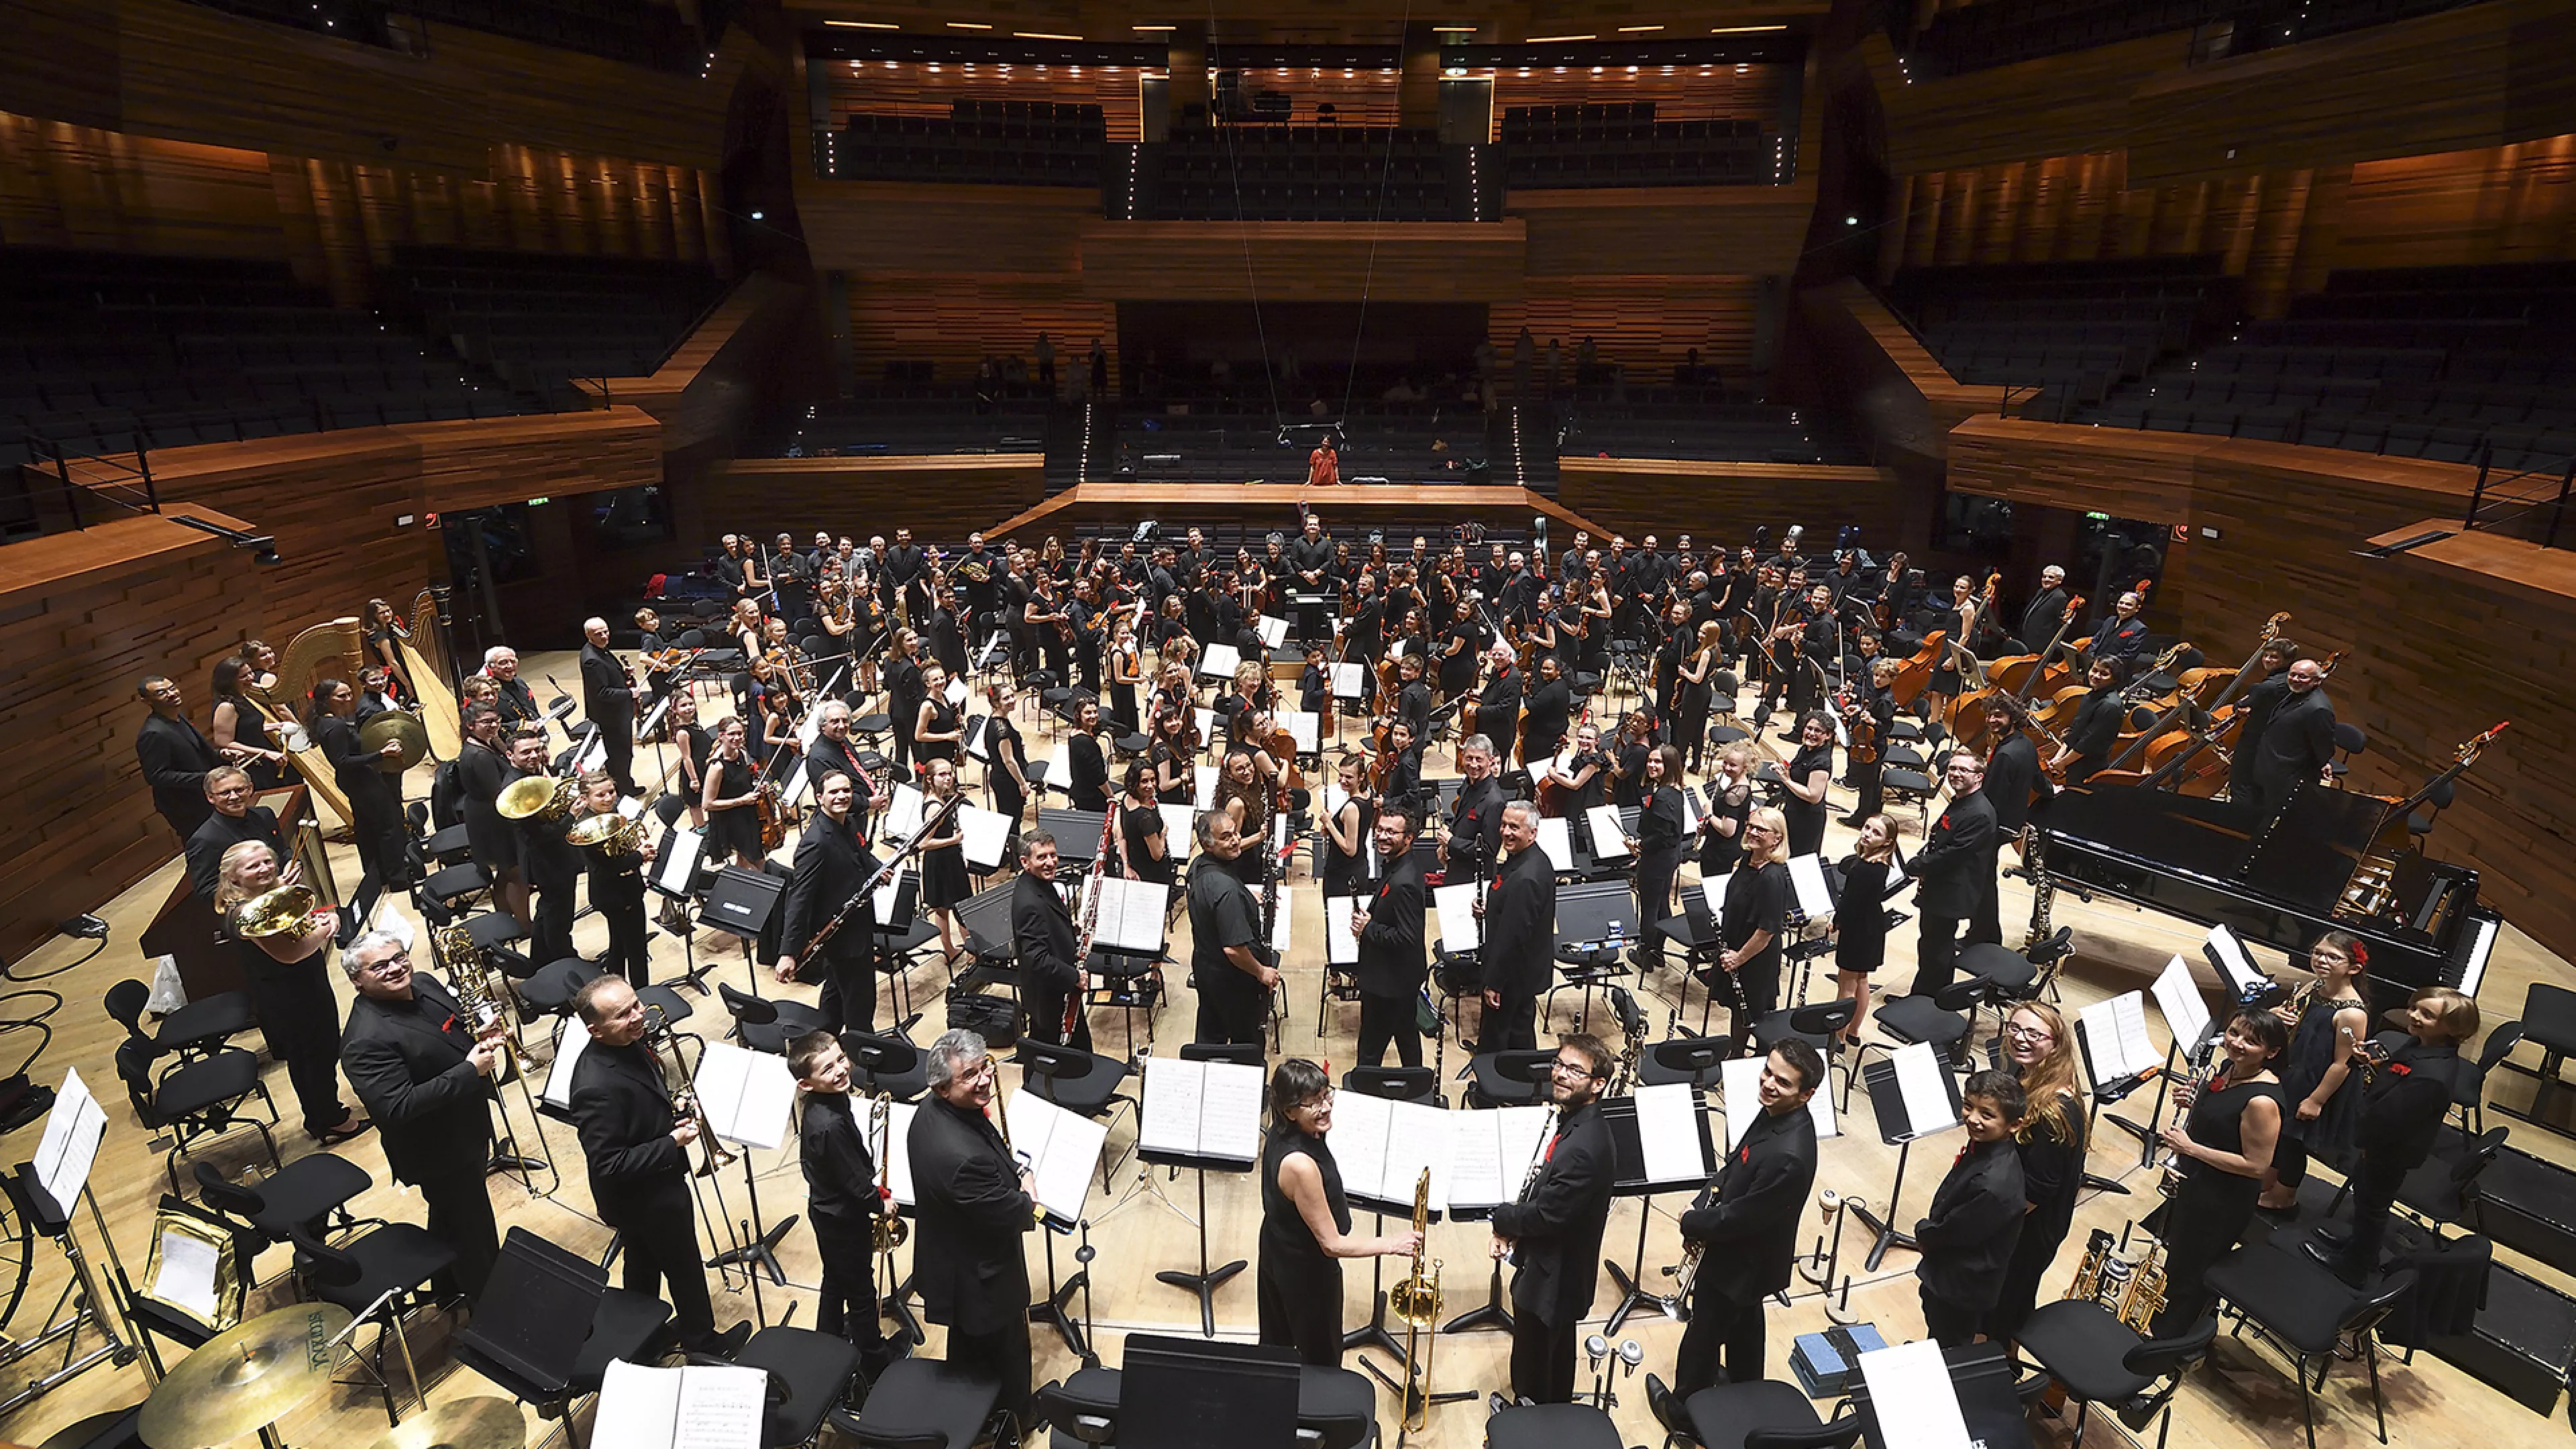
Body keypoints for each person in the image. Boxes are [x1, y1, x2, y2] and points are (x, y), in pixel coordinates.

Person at [566, 975, 736, 1354]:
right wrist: (671, 1142)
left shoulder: (627, 1044)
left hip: (647, 1189)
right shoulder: (596, 1086)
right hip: (644, 1197)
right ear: (595, 1031)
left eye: (636, 1005)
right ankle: (704, 1345)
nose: (638, 1016)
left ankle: (640, 1339)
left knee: (642, 1266)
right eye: (623, 1014)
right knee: (685, 1269)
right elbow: (609, 1162)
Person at [338, 930, 502, 1299]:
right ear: (357, 980)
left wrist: (479, 1036)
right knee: (476, 1238)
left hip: (467, 1127)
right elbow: (397, 1107)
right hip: (438, 1153)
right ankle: (492, 1316)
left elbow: (450, 1029)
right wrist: (468, 1070)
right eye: (379, 966)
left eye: (399, 958)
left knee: (451, 1219)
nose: (396, 969)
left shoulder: (425, 984)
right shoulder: (365, 1040)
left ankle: (447, 1289)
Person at [1671, 1038, 1823, 1398]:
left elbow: (1740, 1219)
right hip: (1748, 1259)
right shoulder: (1776, 1113)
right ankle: (1747, 1393)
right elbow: (1735, 1163)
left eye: (1783, 1082)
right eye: (1768, 1072)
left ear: (1806, 1094)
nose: (1769, 1083)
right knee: (1745, 1330)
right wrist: (1701, 1205)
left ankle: (1684, 1408)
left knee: (1704, 1335)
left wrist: (1692, 1223)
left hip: (1741, 1264)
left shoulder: (1790, 1155)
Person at [2307, 987, 2478, 1289]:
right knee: (2365, 1200)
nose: (2413, 1015)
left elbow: (2390, 1119)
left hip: (2387, 1150)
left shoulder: (2432, 1074)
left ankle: (2355, 1267)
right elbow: (2395, 1075)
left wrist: (2363, 1143)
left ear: (2453, 1028)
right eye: (2414, 1007)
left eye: (2427, 1014)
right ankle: (2358, 1247)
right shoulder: (2422, 1046)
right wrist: (2374, 1064)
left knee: (2372, 1207)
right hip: (2382, 1145)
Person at [909, 1029, 1037, 1429]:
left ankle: (970, 1417)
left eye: (985, 1067)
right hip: (981, 1276)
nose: (984, 1079)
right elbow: (1015, 1213)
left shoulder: (929, 1112)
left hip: (952, 1259)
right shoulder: (961, 1159)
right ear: (943, 1087)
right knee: (1008, 1350)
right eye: (970, 1075)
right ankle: (1017, 1420)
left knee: (969, 1348)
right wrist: (1027, 1192)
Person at [1258, 1059, 1421, 1366]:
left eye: (1326, 1095)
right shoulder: (1300, 1165)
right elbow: (1332, 1244)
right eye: (1313, 1103)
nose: (1326, 1107)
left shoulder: (1282, 1132)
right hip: (1305, 1270)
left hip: (1278, 1249)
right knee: (1320, 1353)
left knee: (1278, 1344)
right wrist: (1391, 1244)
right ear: (1290, 1111)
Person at [1490, 1034, 1617, 1404]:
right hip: (1556, 1269)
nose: (1560, 1074)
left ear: (1598, 1084)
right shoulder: (1577, 1122)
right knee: (1554, 1357)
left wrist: (1502, 1220)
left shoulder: (1583, 1147)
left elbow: (1547, 1214)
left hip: (1553, 1278)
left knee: (1535, 1367)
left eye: (1575, 1070)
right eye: (1559, 1064)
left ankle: (1530, 1423)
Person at [214, 841, 367, 1144]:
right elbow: (290, 953)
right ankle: (327, 1121)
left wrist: (317, 921)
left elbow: (294, 929)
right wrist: (327, 929)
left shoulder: (261, 897)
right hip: (290, 996)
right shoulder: (245, 913)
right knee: (313, 1056)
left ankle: (325, 1112)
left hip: (303, 986)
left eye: (267, 862)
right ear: (233, 877)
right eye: (253, 866)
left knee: (319, 1052)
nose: (265, 869)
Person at [2150, 1009, 2286, 1337]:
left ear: (2272, 1053)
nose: (2237, 1043)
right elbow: (2222, 1117)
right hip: (2200, 1182)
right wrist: (2195, 1099)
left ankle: (2175, 1340)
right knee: (2181, 1257)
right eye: (2234, 1033)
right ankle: (2164, 1321)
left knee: (2196, 1267)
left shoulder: (2262, 1102)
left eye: (2251, 1042)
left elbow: (2257, 1166)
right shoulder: (2230, 1069)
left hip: (2222, 1199)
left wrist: (2190, 1149)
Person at [788, 1032, 891, 1368]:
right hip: (843, 1218)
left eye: (840, 1059)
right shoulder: (828, 1125)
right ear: (805, 1084)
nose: (841, 1070)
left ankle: (827, 1342)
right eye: (827, 1069)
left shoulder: (827, 1102)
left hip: (828, 1212)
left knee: (835, 1279)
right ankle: (874, 1361)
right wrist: (881, 1203)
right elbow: (856, 1187)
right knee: (861, 1293)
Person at [1988, 1002, 2087, 1347]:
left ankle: (2000, 1373)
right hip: (2021, 1221)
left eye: (2034, 1034)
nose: (2020, 1039)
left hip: (2028, 1230)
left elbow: (2038, 1188)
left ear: (2055, 1044)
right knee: (2008, 1304)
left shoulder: (2053, 1109)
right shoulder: (2030, 1077)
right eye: (2015, 1028)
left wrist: (1986, 1226)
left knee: (2003, 1307)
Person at [2259, 932, 2373, 1210]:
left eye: (2333, 957)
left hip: (2318, 1082)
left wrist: (2316, 1100)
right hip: (2296, 1070)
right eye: (2318, 952)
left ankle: (2284, 1196)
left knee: (2293, 1141)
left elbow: (2342, 1063)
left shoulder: (2352, 1013)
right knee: (2279, 1132)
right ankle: (2269, 1180)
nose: (2321, 960)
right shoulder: (2312, 987)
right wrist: (2277, 1015)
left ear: (2354, 968)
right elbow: (2292, 1024)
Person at [1915, 1069, 2027, 1348]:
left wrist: (1924, 1232)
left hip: (1961, 1285)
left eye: (1987, 1115)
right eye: (1968, 1106)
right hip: (1954, 1273)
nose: (1972, 1119)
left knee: (1949, 1345)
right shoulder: (1986, 1147)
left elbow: (1956, 1232)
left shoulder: (1993, 1184)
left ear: (2014, 1125)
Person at [1903, 749, 1995, 1001]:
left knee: (1937, 949)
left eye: (1963, 770)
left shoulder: (1978, 813)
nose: (1955, 774)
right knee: (1932, 945)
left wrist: (1918, 865)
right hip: (1941, 886)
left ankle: (1927, 1001)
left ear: (1979, 777)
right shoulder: (1962, 802)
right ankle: (1927, 995)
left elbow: (1953, 855)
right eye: (1952, 768)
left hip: (1951, 893)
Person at [310, 676, 413, 890]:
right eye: (341, 695)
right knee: (388, 826)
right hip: (360, 780)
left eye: (349, 693)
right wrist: (381, 754)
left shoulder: (326, 721)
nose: (348, 698)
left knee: (367, 827)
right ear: (327, 699)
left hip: (355, 779)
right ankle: (397, 879)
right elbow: (343, 761)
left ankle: (377, 875)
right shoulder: (335, 725)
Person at [1187, 810, 1277, 1046]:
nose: (1236, 840)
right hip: (1232, 981)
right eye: (1226, 837)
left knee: (1210, 1035)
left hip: (1205, 967)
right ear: (1208, 844)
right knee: (1246, 1043)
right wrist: (1261, 972)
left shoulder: (1199, 866)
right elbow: (1234, 950)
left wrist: (1245, 895)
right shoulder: (1226, 891)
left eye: (1236, 832)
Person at [1351, 808, 1426, 1068]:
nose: (1383, 836)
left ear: (1409, 838)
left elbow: (1407, 937)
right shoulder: (1398, 866)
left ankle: (1365, 1093)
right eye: (1380, 830)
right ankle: (1417, 1084)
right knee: (1406, 1037)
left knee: (1371, 1051)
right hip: (1396, 979)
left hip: (1390, 983)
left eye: (1391, 832)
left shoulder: (1404, 882)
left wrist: (1368, 928)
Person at [1481, 802, 1557, 1054]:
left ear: (1532, 833)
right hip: (1523, 973)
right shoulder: (1525, 859)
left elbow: (1513, 936)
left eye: (1515, 827)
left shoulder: (1527, 876)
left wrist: (1495, 983)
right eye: (1503, 825)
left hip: (1513, 977)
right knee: (1519, 1034)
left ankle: (1494, 1090)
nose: (1505, 832)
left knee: (1501, 1039)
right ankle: (1523, 1083)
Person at [1715, 808, 1790, 1052]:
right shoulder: (1748, 861)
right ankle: (1735, 1054)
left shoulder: (1772, 877)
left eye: (1761, 829)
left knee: (1750, 1015)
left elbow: (1766, 930)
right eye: (1751, 826)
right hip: (1737, 947)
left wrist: (1738, 958)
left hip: (1755, 958)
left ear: (1777, 838)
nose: (1752, 832)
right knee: (1738, 1012)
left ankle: (1742, 1061)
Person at [573, 770, 655, 984]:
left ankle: (615, 985)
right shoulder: (587, 828)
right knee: (637, 950)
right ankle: (640, 995)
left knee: (619, 944)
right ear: (585, 799)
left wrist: (638, 847)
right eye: (600, 795)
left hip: (623, 889)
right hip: (616, 895)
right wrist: (639, 856)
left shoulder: (611, 813)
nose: (609, 798)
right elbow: (606, 867)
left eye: (611, 792)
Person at [504, 727, 578, 964]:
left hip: (548, 858)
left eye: (537, 750)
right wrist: (571, 816)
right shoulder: (517, 789)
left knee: (548, 911)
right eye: (526, 752)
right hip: (547, 861)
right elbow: (539, 835)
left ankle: (542, 959)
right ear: (510, 756)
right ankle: (563, 958)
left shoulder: (529, 775)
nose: (534, 756)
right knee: (559, 914)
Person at [1013, 830, 1089, 1051]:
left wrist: (1068, 926)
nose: (1050, 862)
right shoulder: (1029, 903)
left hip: (1056, 989)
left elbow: (1046, 925)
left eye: (1053, 855)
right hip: (1049, 997)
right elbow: (1036, 959)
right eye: (1042, 857)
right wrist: (1074, 976)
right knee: (1056, 1056)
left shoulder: (1037, 884)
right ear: (1025, 862)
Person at [453, 704, 526, 925]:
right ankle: (524, 925)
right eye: (486, 723)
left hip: (485, 815)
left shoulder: (484, 744)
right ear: (470, 725)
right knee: (515, 874)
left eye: (496, 720)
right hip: (493, 821)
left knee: (505, 874)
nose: (493, 725)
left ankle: (505, 920)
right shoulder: (479, 756)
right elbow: (499, 792)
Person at [1829, 815, 1898, 1047]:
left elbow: (1850, 902)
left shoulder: (1864, 869)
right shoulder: (1882, 866)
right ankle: (1854, 1031)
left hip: (1857, 930)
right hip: (1873, 927)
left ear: (1887, 842)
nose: (1867, 833)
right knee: (1862, 980)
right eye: (1867, 828)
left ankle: (1838, 1036)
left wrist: (1836, 921)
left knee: (1846, 985)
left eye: (1877, 833)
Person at [2240, 655, 2336, 820]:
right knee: (2256, 816)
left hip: (2286, 777)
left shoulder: (2319, 709)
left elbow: (2324, 747)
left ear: (2317, 681)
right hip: (2268, 767)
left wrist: (2322, 764)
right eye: (2293, 674)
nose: (2295, 679)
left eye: (2303, 677)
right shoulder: (2294, 694)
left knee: (2275, 821)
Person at [186, 765, 288, 900]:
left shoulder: (265, 814)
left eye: (239, 790)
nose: (234, 797)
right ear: (210, 798)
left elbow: (282, 849)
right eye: (225, 793)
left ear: (250, 789)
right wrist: (267, 889)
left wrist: (292, 862)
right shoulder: (204, 839)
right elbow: (206, 890)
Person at [1631, 745, 1688, 971]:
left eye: (1659, 762)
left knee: (1650, 907)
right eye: (1651, 760)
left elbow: (1663, 835)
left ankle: (1645, 955)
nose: (1652, 765)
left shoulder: (1663, 796)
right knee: (1662, 902)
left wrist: (1639, 844)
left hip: (1657, 859)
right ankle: (1657, 953)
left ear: (1670, 766)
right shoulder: (1674, 791)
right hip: (1669, 858)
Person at [579, 616, 637, 796]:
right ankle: (623, 790)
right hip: (611, 716)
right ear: (589, 635)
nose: (605, 636)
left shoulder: (599, 650)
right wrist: (629, 694)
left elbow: (609, 673)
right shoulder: (592, 660)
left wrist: (622, 672)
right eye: (599, 634)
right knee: (620, 754)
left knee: (622, 753)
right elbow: (602, 692)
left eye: (606, 631)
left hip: (617, 713)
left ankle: (624, 784)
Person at [2049, 656, 2128, 787]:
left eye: (2104, 674)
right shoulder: (2091, 695)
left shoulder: (2110, 706)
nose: (2096, 676)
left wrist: (2063, 763)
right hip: (2074, 760)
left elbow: (2088, 743)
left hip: (2089, 767)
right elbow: (2075, 730)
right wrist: (2059, 757)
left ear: (2114, 680)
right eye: (2094, 670)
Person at [700, 716, 765, 871]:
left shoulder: (741, 754)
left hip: (746, 814)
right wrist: (742, 800)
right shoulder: (717, 766)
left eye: (740, 734)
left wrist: (757, 787)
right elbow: (707, 804)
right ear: (721, 736)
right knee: (757, 862)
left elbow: (743, 782)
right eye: (732, 734)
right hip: (729, 819)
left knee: (746, 861)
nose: (737, 738)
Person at [1780, 712, 1835, 858]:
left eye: (1818, 731)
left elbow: (1814, 796)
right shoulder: (1806, 749)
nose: (1811, 733)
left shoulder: (1821, 761)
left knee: (1799, 859)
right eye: (1809, 728)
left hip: (1806, 820)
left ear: (1828, 736)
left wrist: (1787, 781)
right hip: (1793, 811)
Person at [1067, 696, 1110, 812]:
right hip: (1091, 797)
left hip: (1080, 790)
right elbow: (1099, 777)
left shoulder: (1073, 734)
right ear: (1078, 716)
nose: (1093, 716)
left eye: (1095, 712)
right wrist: (1111, 797)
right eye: (1088, 713)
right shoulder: (1086, 742)